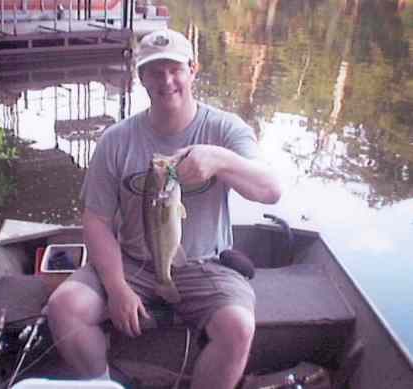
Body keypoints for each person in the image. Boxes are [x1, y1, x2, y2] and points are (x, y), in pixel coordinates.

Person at [47, 28, 281, 389]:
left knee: (238, 326)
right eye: (155, 71)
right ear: (141, 78)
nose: (166, 80)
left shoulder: (225, 129)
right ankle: (101, 382)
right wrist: (117, 286)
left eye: (175, 69)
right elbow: (96, 219)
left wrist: (219, 160)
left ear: (193, 70)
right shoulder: (116, 140)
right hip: (131, 260)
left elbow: (270, 191)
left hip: (206, 262)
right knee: (65, 307)